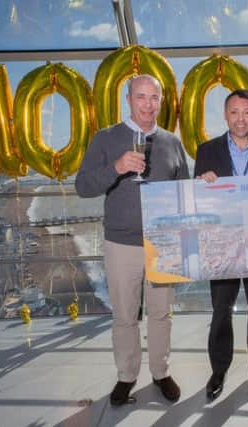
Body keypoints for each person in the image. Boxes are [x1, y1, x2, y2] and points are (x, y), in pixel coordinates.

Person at [75, 74, 189, 405]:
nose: (148, 104)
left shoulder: (172, 142)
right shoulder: (106, 138)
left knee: (161, 315)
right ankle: (126, 376)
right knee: (125, 315)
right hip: (121, 244)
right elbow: (83, 186)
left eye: (154, 98)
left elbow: (184, 191)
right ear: (128, 99)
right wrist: (117, 166)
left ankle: (160, 372)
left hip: (163, 244)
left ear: (162, 102)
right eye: (141, 97)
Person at [194, 89, 248, 400]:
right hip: (221, 246)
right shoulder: (206, 150)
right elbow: (197, 200)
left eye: (247, 112)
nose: (241, 118)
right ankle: (218, 370)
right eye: (234, 112)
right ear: (225, 115)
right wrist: (201, 183)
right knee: (221, 311)